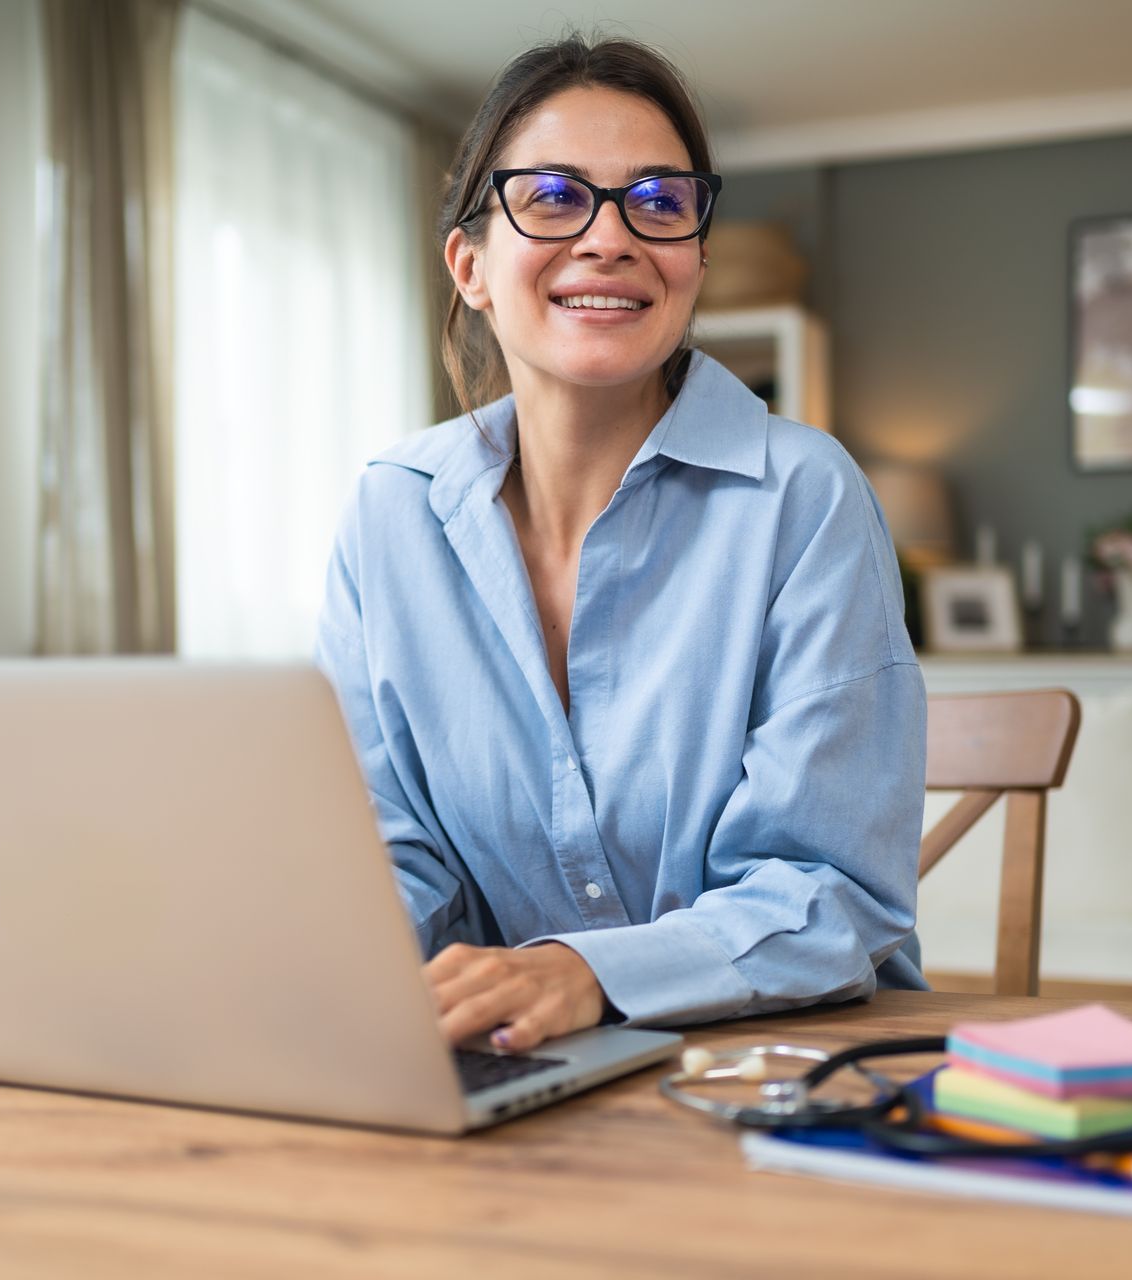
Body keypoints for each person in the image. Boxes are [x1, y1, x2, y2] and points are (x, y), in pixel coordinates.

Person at [316, 34, 925, 1056]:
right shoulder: (391, 513)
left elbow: (830, 892)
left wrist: (585, 972)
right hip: (510, 1070)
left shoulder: (805, 496)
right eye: (552, 197)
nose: (609, 237)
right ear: (470, 266)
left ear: (693, 256)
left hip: (781, 1068)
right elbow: (389, 853)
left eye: (658, 200)